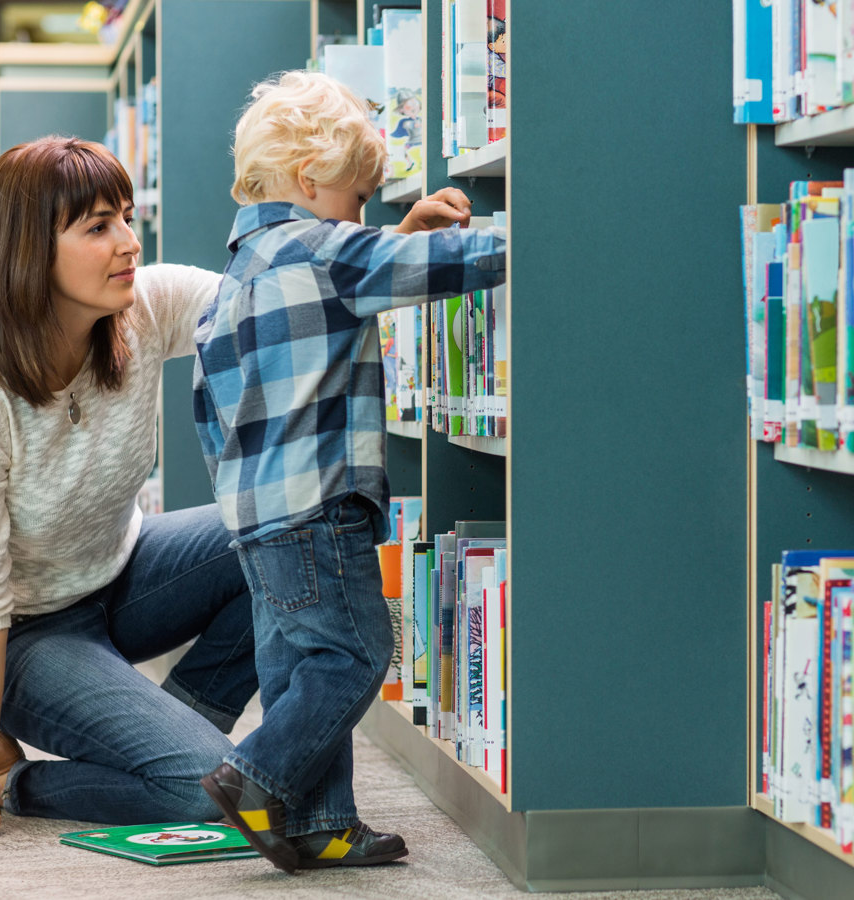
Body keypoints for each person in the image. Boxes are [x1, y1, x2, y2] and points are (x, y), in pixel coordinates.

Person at [0, 137, 259, 845]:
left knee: (283, 529)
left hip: (115, 572)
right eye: (97, 227)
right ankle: (11, 776)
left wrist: (384, 246)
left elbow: (267, 298)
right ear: (27, 250)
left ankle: (179, 738)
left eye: (126, 216)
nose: (129, 242)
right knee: (207, 793)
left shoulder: (139, 306)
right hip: (15, 627)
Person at [192, 70, 506, 872]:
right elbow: (440, 267)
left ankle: (318, 821)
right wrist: (536, 234)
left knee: (297, 666)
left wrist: (393, 234)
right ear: (311, 182)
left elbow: (212, 410)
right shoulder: (329, 252)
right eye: (361, 202)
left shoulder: (233, 282)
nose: (365, 219)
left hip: (254, 518)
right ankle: (254, 773)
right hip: (321, 505)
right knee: (359, 654)